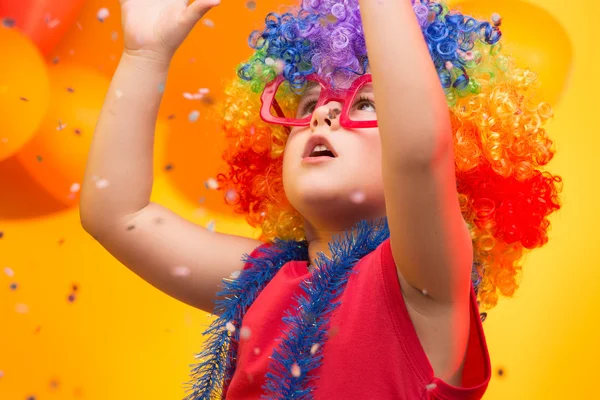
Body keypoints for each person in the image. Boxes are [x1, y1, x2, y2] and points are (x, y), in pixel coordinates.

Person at [79, 0, 563, 399]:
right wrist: (144, 55)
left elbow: (419, 154)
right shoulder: (265, 279)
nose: (324, 114)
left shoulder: (424, 283)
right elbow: (118, 215)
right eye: (309, 104)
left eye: (367, 102)